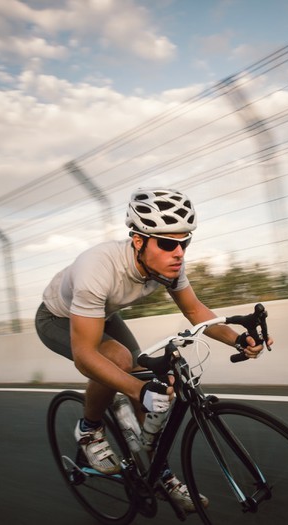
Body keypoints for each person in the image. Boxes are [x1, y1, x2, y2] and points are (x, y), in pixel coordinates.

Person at [35, 188, 269, 513]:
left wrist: (238, 340)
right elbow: (85, 355)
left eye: (185, 242)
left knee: (151, 384)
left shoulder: (169, 267)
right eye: (168, 244)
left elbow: (195, 311)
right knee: (120, 363)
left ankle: (160, 475)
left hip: (103, 314)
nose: (179, 253)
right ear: (138, 240)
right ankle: (89, 429)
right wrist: (136, 389)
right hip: (57, 318)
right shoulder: (97, 268)